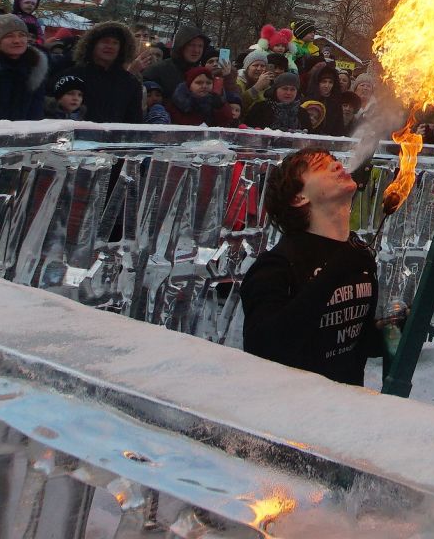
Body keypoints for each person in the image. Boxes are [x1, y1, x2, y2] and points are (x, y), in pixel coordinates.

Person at [240, 148, 401, 385]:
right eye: (319, 167)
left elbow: (350, 340)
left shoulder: (356, 254)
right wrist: (334, 273)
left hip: (344, 410)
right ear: (298, 197)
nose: (338, 165)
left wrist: (391, 331)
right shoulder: (276, 266)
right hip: (294, 411)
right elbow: (264, 347)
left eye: (335, 160)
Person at [64, 21, 143, 123]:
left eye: (115, 43)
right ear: (92, 45)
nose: (110, 46)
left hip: (115, 137)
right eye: (105, 41)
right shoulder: (72, 76)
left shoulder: (130, 83)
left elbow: (134, 121)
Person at [145, 26, 213, 101]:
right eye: (191, 45)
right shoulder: (157, 71)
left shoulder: (202, 73)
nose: (196, 50)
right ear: (181, 46)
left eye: (200, 46)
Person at [168, 66, 238, 127]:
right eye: (199, 83)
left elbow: (226, 123)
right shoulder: (177, 104)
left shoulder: (218, 102)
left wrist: (220, 106)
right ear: (189, 85)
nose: (204, 86)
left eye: (208, 83)